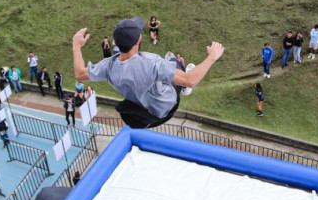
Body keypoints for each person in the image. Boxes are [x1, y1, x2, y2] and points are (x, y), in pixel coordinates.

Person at [72, 17, 224, 129]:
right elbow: (191, 80)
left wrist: (76, 47)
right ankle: (182, 88)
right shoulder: (151, 63)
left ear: (115, 44)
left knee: (169, 66)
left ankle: (177, 74)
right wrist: (212, 56)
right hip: (167, 107)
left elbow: (80, 73)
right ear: (138, 40)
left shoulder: (108, 66)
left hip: (145, 116)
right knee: (174, 62)